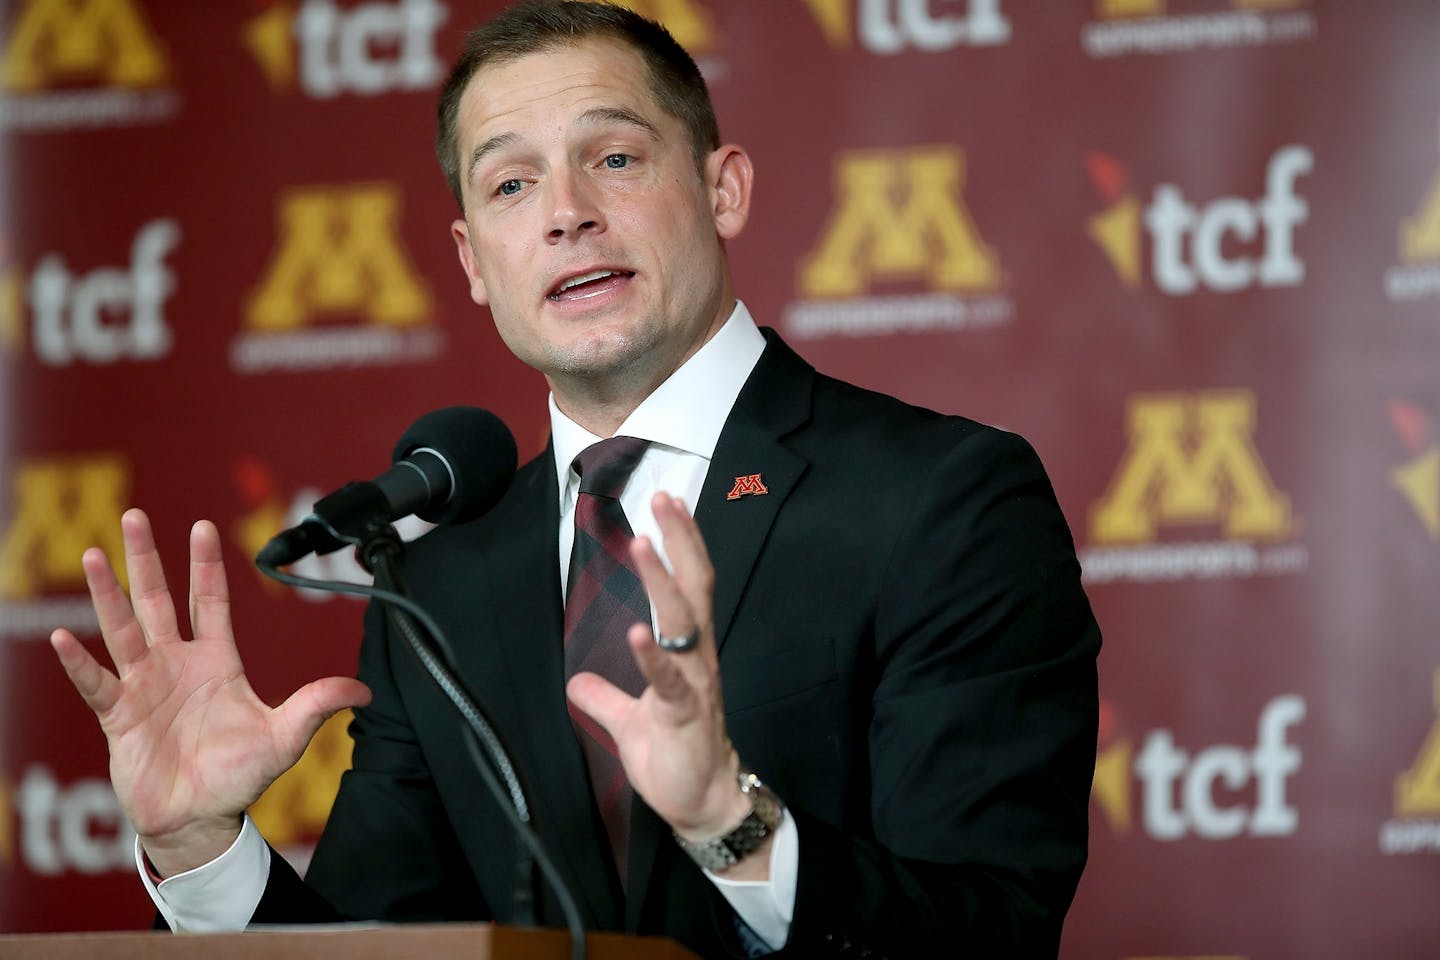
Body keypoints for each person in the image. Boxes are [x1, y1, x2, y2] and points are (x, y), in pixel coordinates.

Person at [49, 2, 1101, 957]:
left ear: (722, 189)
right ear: (472, 262)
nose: (566, 213)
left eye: (615, 158)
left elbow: (993, 930)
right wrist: (199, 849)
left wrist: (728, 825)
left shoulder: (942, 498)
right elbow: (379, 949)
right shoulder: (442, 585)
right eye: (512, 183)